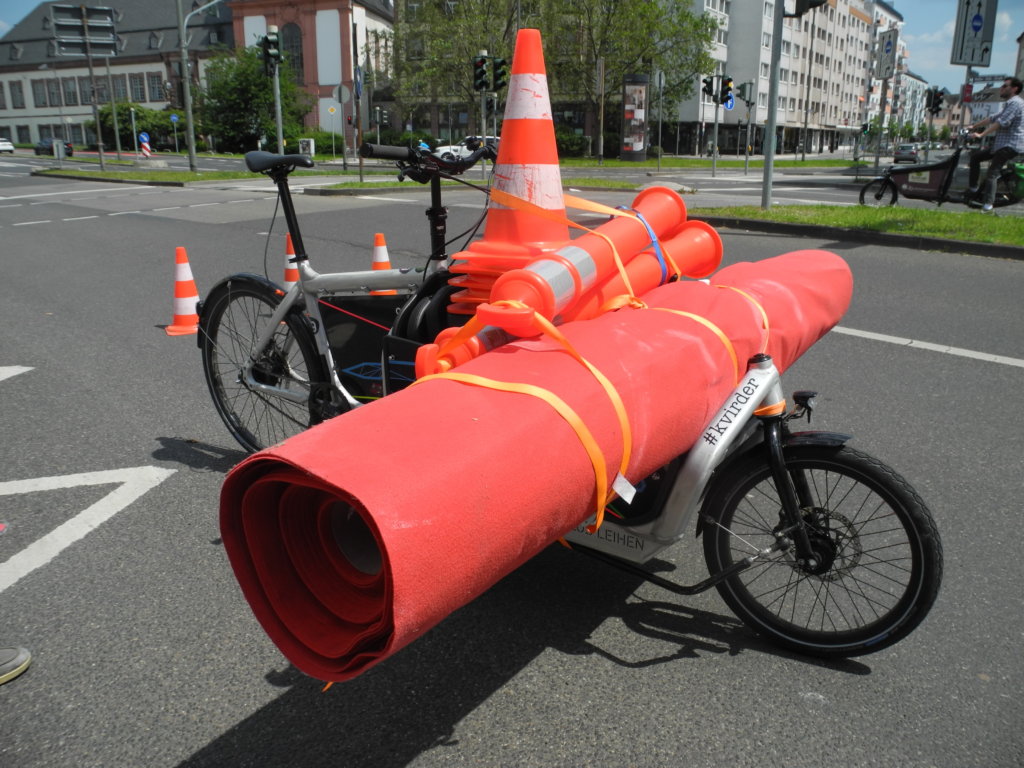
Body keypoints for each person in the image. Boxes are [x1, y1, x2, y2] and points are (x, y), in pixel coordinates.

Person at [967, 77, 1024, 212]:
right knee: (975, 158)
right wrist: (973, 126)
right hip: (1002, 145)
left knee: (992, 173)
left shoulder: (1016, 103)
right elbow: (993, 118)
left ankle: (988, 205)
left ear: (1014, 89)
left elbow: (1001, 122)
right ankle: (973, 188)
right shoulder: (1009, 104)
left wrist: (981, 135)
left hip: (1010, 145)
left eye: (1005, 86)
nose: (1001, 88)